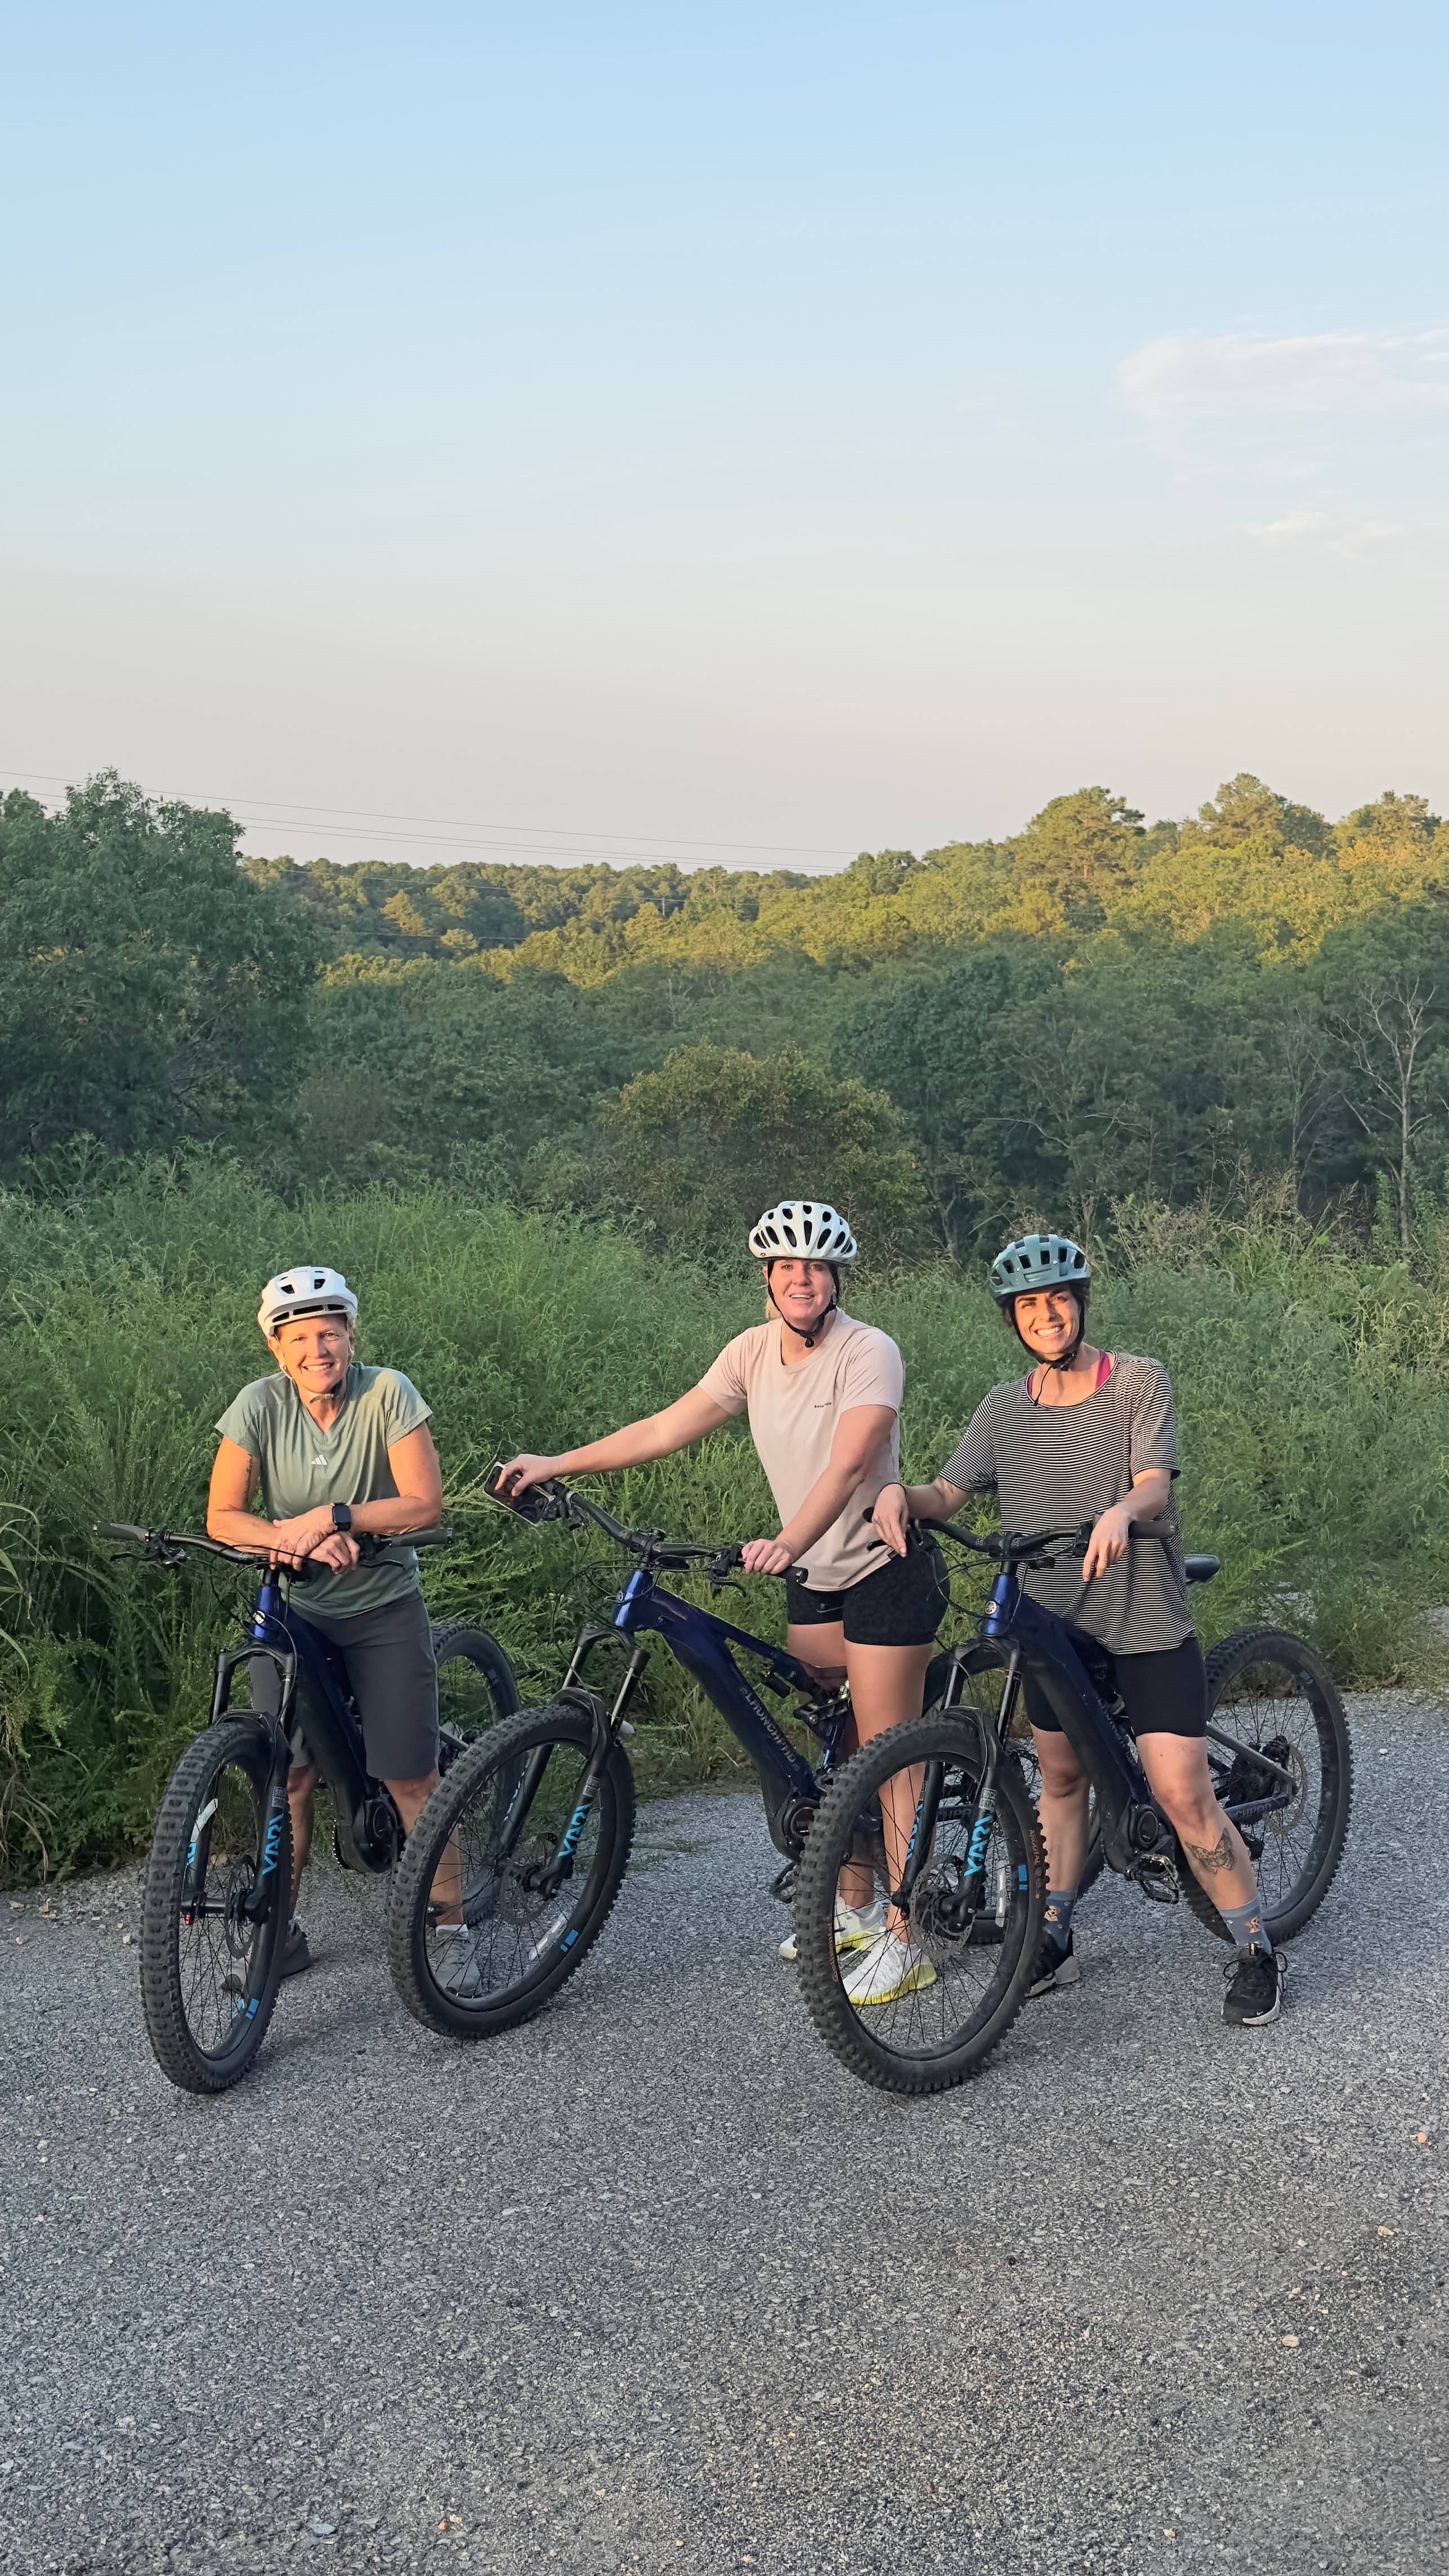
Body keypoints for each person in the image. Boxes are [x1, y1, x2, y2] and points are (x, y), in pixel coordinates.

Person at [495, 1199, 950, 2006]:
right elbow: (667, 1428)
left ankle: (908, 1936)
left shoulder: (868, 1350)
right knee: (829, 1746)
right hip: (812, 1575)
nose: (800, 1280)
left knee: (883, 1752)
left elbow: (849, 1466)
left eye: (814, 1267)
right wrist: (557, 1463)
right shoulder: (749, 1352)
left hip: (884, 1566)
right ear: (768, 1279)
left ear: (834, 1278)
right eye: (785, 1268)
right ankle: (853, 1906)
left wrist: (787, 1538)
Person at [872, 1230, 1285, 2029]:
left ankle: (1255, 1948)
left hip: (1140, 1619)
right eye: (1029, 1304)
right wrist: (896, 1495)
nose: (1047, 1314)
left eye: (1058, 1298)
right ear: (1012, 1319)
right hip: (1052, 1625)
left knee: (1181, 1795)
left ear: (1080, 1303)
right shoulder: (1002, 1406)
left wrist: (1123, 1513)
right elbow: (947, 1494)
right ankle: (1054, 1932)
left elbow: (1153, 1485)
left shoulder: (1136, 1381)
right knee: (1058, 1781)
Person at [207, 1266, 446, 1975]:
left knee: (410, 1777)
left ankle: (453, 1923)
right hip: (295, 1606)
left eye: (330, 1332)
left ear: (351, 1335)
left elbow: (423, 1504)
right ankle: (278, 1933)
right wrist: (293, 1536)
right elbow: (222, 1515)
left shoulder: (387, 1391)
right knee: (289, 1776)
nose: (318, 1349)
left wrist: (334, 1516)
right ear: (278, 1350)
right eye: (300, 1337)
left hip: (380, 1602)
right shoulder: (258, 1404)